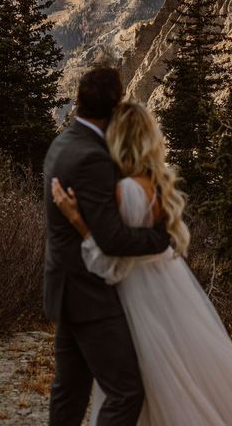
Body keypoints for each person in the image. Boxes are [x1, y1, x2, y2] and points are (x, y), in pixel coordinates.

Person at [52, 100, 232, 426]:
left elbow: (112, 264)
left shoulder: (125, 191)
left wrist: (78, 222)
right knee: (184, 381)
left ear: (118, 141)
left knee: (149, 389)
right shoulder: (156, 188)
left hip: (140, 299)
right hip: (168, 293)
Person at [43, 68, 170, 426]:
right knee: (126, 391)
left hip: (64, 284)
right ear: (113, 108)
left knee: (69, 391)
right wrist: (161, 238)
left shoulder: (63, 142)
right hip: (89, 293)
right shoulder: (93, 157)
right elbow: (111, 238)